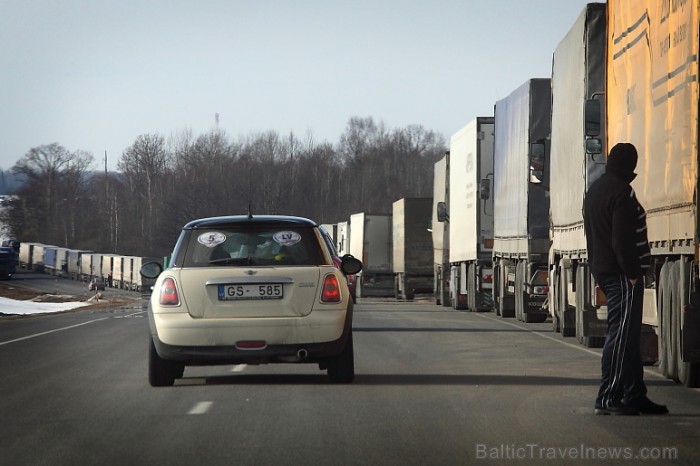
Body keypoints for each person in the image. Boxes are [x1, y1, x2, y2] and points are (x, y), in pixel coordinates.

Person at [583, 142, 668, 416]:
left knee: (628, 336)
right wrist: (632, 274)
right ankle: (608, 397)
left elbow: (592, 238)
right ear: (630, 165)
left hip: (606, 271)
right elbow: (622, 241)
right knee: (619, 336)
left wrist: (599, 271)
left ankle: (634, 394)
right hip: (622, 275)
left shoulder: (595, 190)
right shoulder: (622, 193)